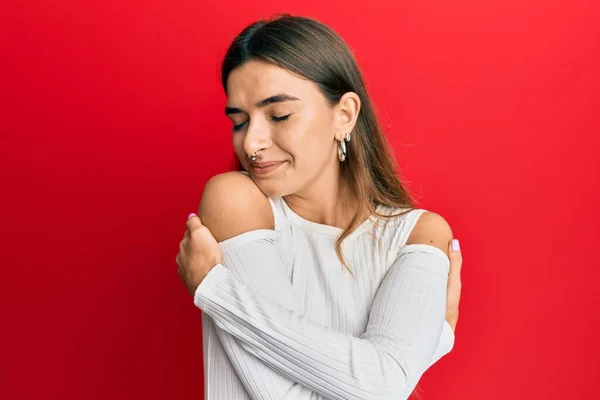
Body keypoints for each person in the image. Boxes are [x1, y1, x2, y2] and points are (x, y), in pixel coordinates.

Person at [175, 14, 463, 400]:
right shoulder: (235, 201)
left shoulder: (417, 233)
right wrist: (425, 345)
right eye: (240, 122)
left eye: (278, 115)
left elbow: (385, 386)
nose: (251, 144)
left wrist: (216, 291)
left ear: (343, 115)